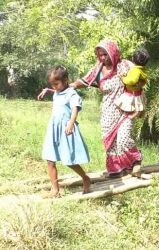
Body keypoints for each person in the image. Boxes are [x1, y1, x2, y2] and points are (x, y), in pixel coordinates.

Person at [38, 40, 142, 178]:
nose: (103, 58)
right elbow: (85, 81)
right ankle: (117, 169)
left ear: (113, 52)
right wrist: (61, 87)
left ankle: (135, 161)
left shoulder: (126, 66)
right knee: (110, 142)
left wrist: (139, 106)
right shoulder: (98, 68)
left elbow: (140, 80)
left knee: (123, 139)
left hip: (125, 109)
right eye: (100, 55)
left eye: (105, 54)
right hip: (108, 111)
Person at [38, 65, 91, 197]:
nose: (55, 87)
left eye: (56, 83)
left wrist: (71, 124)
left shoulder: (72, 93)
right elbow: (58, 92)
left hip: (66, 128)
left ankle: (85, 177)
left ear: (66, 80)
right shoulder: (57, 91)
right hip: (53, 128)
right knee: (50, 160)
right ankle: (55, 189)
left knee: (68, 161)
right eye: (52, 84)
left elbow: (74, 108)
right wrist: (47, 90)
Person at [115, 48, 149, 119]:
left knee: (137, 106)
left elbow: (131, 80)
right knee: (125, 103)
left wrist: (123, 79)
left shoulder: (136, 70)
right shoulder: (141, 68)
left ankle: (135, 113)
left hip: (133, 92)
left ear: (133, 59)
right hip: (135, 91)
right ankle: (133, 113)